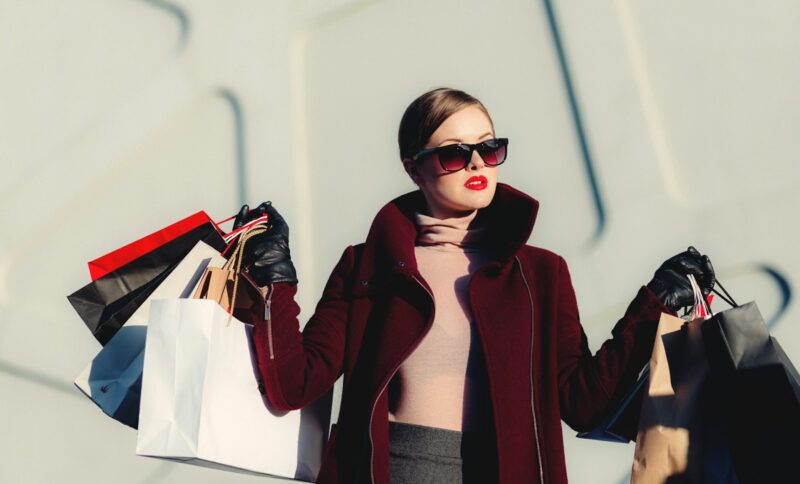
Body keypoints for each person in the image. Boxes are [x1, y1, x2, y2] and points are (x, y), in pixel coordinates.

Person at [232, 87, 716, 484]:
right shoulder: (368, 265)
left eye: (489, 147)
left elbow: (583, 405)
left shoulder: (540, 274)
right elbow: (293, 385)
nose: (478, 165)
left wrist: (653, 306)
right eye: (453, 155)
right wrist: (276, 277)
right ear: (413, 167)